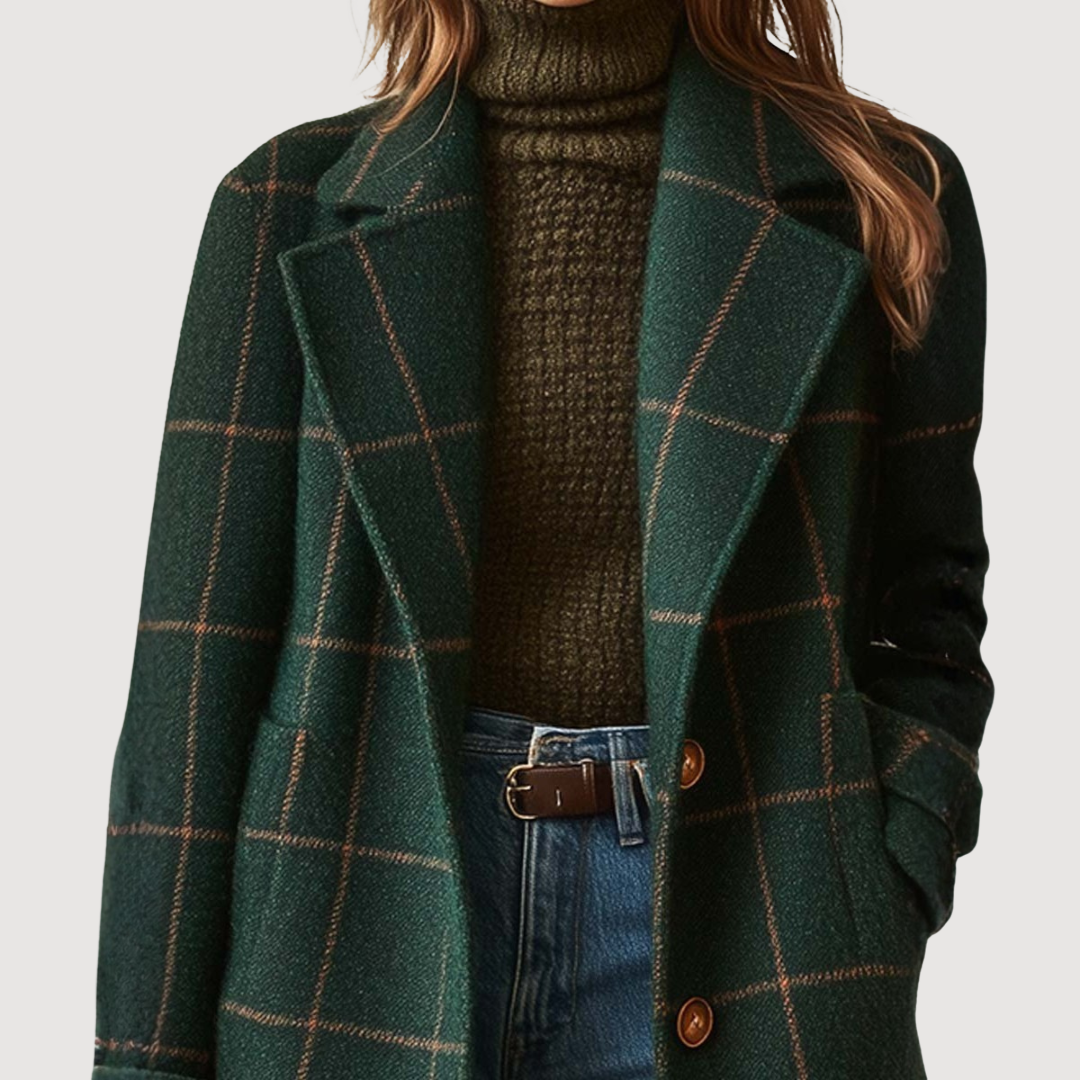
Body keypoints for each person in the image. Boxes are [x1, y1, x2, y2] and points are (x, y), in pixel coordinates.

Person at [90, 0, 992, 1077]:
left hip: (754, 916)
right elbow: (191, 684)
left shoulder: (879, 195)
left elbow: (929, 600)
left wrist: (885, 861)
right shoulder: (285, 207)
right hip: (357, 920)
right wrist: (142, 1060)